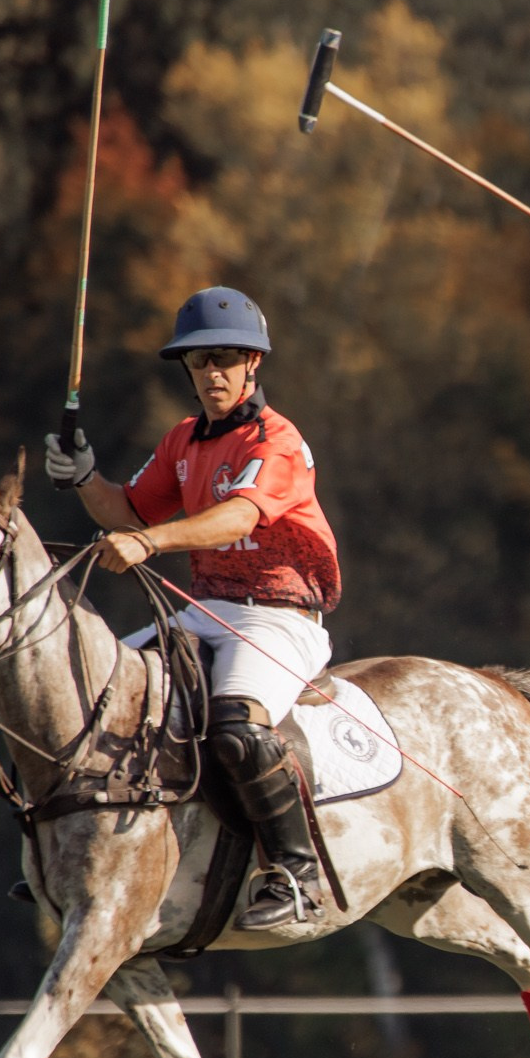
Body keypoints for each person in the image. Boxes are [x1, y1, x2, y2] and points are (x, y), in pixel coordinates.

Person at [44, 286, 343, 928]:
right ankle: (88, 857)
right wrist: (84, 478)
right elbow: (129, 509)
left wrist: (151, 542)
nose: (212, 373)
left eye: (226, 359)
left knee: (237, 730)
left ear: (252, 363)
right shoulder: (184, 439)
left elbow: (236, 513)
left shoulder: (278, 440)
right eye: (199, 361)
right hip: (207, 610)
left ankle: (298, 875)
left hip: (278, 616)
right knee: (95, 695)